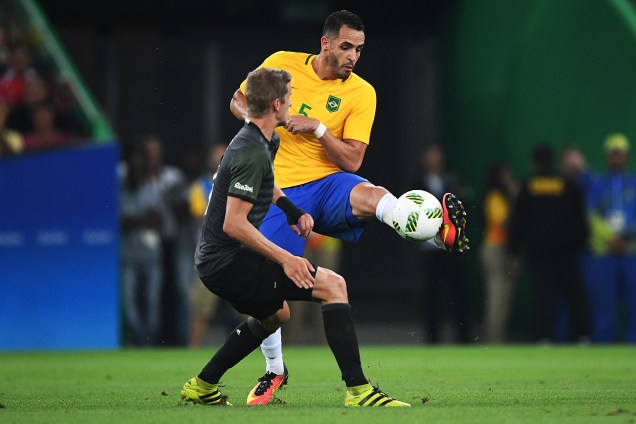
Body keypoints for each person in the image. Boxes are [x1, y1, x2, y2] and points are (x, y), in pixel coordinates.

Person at [229, 9, 469, 403]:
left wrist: (319, 129)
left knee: (374, 195)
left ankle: (434, 233)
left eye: (358, 49)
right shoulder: (281, 64)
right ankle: (274, 370)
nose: (353, 56)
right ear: (325, 43)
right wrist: (260, 122)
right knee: (268, 296)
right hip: (280, 192)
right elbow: (237, 100)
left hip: (327, 184)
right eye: (345, 47)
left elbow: (352, 161)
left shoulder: (362, 92)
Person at [180, 66, 410, 407]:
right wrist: (287, 259)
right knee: (333, 286)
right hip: (226, 261)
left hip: (221, 258)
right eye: (290, 100)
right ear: (276, 105)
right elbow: (234, 224)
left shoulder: (263, 139)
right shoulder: (251, 150)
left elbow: (266, 184)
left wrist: (291, 210)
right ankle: (359, 390)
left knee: (277, 315)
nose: (294, 107)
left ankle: (201, 385)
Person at [508, 144, 589, 343]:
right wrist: (579, 244)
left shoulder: (528, 186)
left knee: (543, 296)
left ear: (534, 162)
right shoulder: (566, 184)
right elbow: (580, 218)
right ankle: (581, 336)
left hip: (539, 253)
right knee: (574, 293)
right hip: (566, 251)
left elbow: (518, 220)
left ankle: (544, 336)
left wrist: (513, 251)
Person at [410, 143, 472, 343]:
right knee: (431, 297)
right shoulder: (417, 183)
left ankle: (464, 340)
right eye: (430, 155)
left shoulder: (452, 180)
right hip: (429, 248)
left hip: (452, 247)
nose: (433, 159)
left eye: (436, 155)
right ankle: (432, 340)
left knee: (459, 294)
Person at [188, 142, 242, 347]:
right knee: (201, 309)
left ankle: (258, 352)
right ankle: (192, 349)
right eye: (217, 157)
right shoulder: (200, 185)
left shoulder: (240, 183)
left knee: (250, 308)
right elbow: (200, 217)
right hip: (212, 255)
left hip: (237, 255)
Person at [585, 133, 636, 343]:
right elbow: (592, 216)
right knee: (605, 304)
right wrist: (611, 238)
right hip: (605, 252)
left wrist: (627, 236)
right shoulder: (598, 185)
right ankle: (603, 347)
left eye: (620, 154)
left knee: (634, 304)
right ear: (607, 156)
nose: (617, 158)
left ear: (627, 156)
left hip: (631, 251)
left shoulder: (634, 184)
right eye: (613, 154)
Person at [119, 147, 165, 346]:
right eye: (132, 165)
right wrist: (145, 218)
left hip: (151, 255)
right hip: (127, 256)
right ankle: (139, 341)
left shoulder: (153, 186)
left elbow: (159, 220)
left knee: (152, 303)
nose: (136, 169)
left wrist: (135, 220)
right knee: (130, 305)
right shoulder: (119, 190)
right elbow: (121, 222)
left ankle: (149, 343)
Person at [479, 161, 518, 343]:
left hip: (503, 248)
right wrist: (514, 197)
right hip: (495, 248)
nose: (509, 178)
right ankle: (494, 341)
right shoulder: (495, 196)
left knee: (505, 297)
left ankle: (499, 339)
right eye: (505, 174)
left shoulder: (501, 196)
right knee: (497, 296)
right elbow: (504, 223)